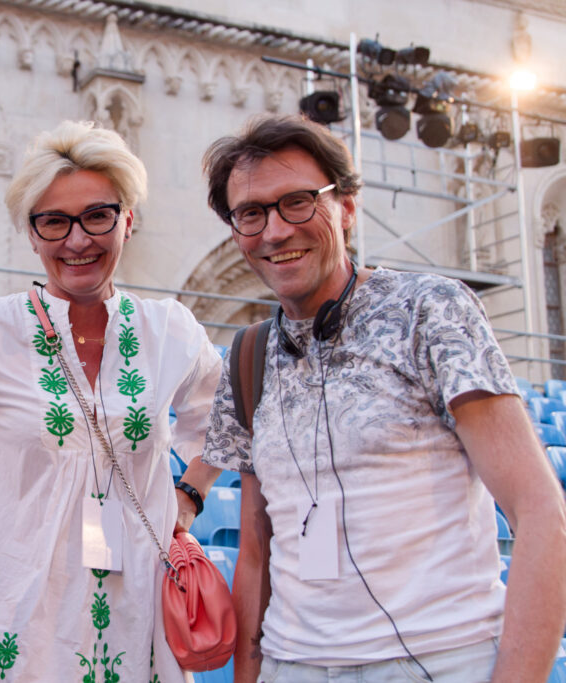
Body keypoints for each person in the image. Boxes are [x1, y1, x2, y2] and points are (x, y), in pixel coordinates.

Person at [191, 114, 566, 682]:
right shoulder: (247, 356)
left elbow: (539, 510)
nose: (274, 231)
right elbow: (257, 553)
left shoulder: (430, 309)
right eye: (251, 213)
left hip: (439, 661)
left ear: (346, 206)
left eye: (297, 202)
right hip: (293, 666)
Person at [0, 120, 223, 681]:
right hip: (17, 612)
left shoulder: (169, 331)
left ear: (127, 221)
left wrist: (190, 496)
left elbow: (225, 416)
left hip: (138, 607)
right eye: (53, 221)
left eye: (97, 216)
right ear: (31, 235)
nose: (77, 241)